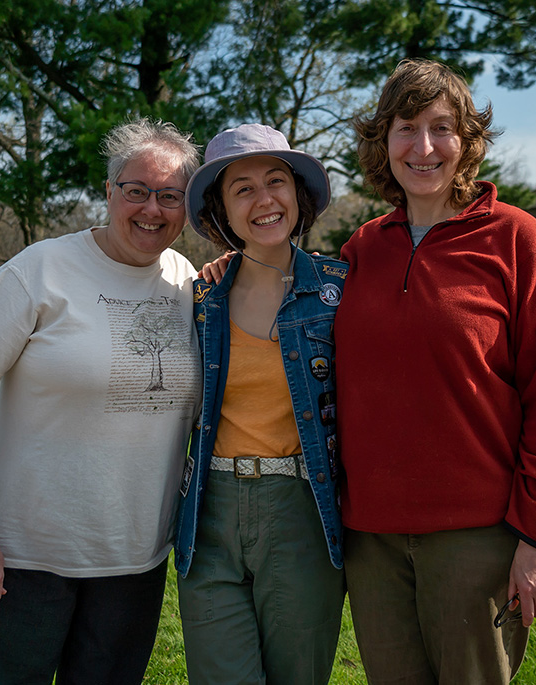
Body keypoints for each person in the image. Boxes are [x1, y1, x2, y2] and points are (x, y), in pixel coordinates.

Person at [0, 117, 202, 684]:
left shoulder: (188, 283)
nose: (151, 209)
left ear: (187, 207)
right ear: (109, 192)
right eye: (136, 191)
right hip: (23, 561)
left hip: (136, 563)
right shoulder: (39, 271)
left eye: (170, 196)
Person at [335, 58, 536, 683]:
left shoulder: (516, 239)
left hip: (476, 535)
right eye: (405, 127)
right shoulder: (362, 249)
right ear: (381, 140)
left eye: (441, 128)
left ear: (467, 141)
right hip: (371, 537)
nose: (423, 147)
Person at [174, 123, 347, 684]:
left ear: (298, 194)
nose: (264, 199)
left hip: (301, 509)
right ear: (224, 210)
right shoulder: (202, 298)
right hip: (210, 510)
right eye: (242, 188)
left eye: (276, 181)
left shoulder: (339, 291)